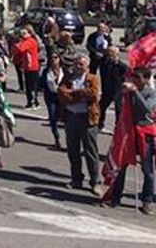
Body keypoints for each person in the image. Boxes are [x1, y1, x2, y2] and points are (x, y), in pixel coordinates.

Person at [101, 67, 156, 214]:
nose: (134, 79)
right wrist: (123, 93)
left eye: (138, 77)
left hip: (144, 133)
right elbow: (119, 105)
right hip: (128, 131)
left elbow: (147, 109)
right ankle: (115, 197)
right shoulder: (127, 90)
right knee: (121, 164)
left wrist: (135, 92)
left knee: (148, 170)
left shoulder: (151, 93)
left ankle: (147, 201)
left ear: (146, 79)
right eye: (133, 76)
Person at [58, 55, 102, 196]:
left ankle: (95, 182)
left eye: (81, 64)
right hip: (71, 117)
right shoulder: (68, 78)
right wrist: (79, 96)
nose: (78, 67)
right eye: (76, 64)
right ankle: (76, 178)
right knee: (73, 150)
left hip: (87, 119)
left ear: (87, 66)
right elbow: (62, 93)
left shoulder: (93, 78)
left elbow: (93, 95)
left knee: (91, 151)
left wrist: (73, 93)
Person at [98, 45, 127, 132]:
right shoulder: (104, 63)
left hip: (118, 90)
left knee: (119, 109)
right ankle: (100, 124)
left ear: (116, 54)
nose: (109, 55)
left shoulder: (122, 66)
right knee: (101, 107)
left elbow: (125, 78)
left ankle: (118, 127)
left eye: (111, 53)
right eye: (108, 53)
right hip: (107, 89)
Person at [39, 53, 64, 149]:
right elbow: (41, 83)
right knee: (52, 116)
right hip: (50, 96)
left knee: (60, 115)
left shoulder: (64, 70)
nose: (53, 59)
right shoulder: (46, 71)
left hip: (61, 96)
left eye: (56, 57)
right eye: (52, 58)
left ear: (59, 59)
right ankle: (56, 137)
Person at [14, 25, 41, 109]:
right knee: (28, 86)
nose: (22, 35)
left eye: (24, 33)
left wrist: (16, 43)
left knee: (32, 86)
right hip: (27, 66)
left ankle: (34, 102)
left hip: (32, 67)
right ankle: (30, 102)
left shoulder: (30, 41)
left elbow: (20, 49)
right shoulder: (25, 41)